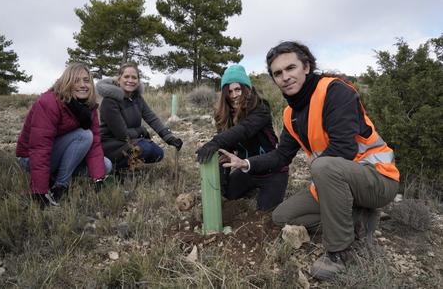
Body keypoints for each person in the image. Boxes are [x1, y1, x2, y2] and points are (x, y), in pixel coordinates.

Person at [218, 41, 399, 280]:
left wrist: (321, 177)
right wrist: (246, 164)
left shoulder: (335, 91)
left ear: (306, 66)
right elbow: (281, 155)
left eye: (290, 68)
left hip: (378, 178)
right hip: (334, 180)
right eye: (278, 73)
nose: (285, 77)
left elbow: (343, 148)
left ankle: (339, 252)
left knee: (323, 166)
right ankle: (358, 219)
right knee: (282, 217)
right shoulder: (290, 114)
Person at [16, 63, 113, 208]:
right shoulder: (49, 102)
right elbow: (40, 148)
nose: (82, 85)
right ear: (67, 83)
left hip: (58, 154)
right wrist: (39, 191)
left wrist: (98, 179)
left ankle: (56, 177)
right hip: (30, 158)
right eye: (76, 80)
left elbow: (95, 145)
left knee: (106, 165)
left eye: (86, 80)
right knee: (84, 135)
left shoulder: (89, 107)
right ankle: (61, 186)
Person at [196, 64, 288, 211]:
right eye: (229, 91)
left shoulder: (261, 108)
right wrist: (220, 189)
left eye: (238, 89)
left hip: (272, 169)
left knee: (265, 211)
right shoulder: (223, 115)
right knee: (228, 194)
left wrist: (215, 142)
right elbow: (225, 147)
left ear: (246, 88)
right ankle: (245, 188)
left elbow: (243, 130)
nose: (233, 95)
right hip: (246, 168)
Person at [97, 62, 183, 171]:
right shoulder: (110, 101)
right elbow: (122, 134)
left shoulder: (137, 98)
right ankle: (114, 168)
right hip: (111, 144)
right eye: (126, 77)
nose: (130, 80)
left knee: (158, 153)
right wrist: (141, 130)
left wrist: (169, 137)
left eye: (134, 77)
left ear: (138, 82)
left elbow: (152, 118)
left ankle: (125, 166)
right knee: (145, 148)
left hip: (128, 141)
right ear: (119, 79)